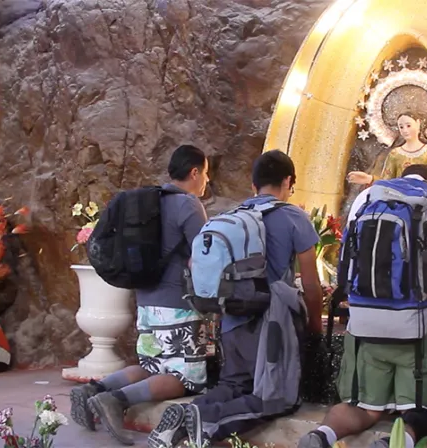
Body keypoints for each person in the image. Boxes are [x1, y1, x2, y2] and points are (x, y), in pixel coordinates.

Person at [298, 164, 427, 448]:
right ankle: (398, 442)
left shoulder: (368, 198)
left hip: (366, 326)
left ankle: (322, 435)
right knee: (422, 411)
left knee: (362, 407)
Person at [147, 149, 324, 448]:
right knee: (276, 398)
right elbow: (311, 282)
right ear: (288, 181)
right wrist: (314, 327)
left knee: (234, 384)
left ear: (253, 185)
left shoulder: (233, 215)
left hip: (232, 318)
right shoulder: (293, 216)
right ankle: (206, 420)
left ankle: (188, 411)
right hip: (273, 325)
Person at [69, 143, 210, 446]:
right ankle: (116, 401)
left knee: (151, 367)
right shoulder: (188, 205)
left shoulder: (151, 202)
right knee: (186, 378)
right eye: (206, 175)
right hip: (179, 306)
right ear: (194, 172)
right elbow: (203, 256)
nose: (206, 182)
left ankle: (94, 390)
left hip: (146, 302)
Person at [347, 112, 427, 189]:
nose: (405, 130)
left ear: (418, 123)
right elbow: (387, 182)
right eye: (401, 127)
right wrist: (369, 179)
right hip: (400, 203)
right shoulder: (395, 154)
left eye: (408, 125)